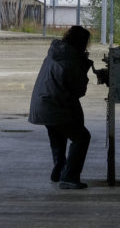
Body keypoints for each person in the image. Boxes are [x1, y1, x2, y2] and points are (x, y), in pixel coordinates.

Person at [28, 25, 100, 189]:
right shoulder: (72, 59)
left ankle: (59, 169)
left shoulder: (56, 52)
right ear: (82, 42)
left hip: (41, 105)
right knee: (81, 137)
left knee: (58, 135)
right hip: (55, 106)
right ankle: (69, 177)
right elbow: (79, 90)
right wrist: (84, 65)